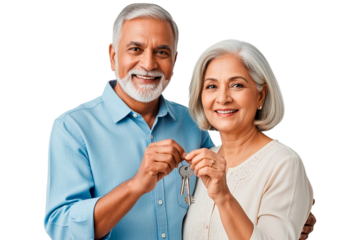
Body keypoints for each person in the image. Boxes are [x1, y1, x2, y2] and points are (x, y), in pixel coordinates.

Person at [43, 2, 316, 239]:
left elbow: (239, 175)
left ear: (174, 60)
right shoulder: (73, 128)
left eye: (161, 52)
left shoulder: (196, 122)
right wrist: (136, 185)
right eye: (135, 49)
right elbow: (61, 229)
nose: (148, 64)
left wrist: (292, 213)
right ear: (113, 55)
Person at [182, 37, 314, 240]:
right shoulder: (204, 160)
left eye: (236, 85)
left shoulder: (284, 163)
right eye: (211, 86)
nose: (223, 98)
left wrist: (224, 197)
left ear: (261, 95)